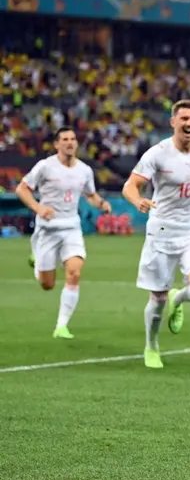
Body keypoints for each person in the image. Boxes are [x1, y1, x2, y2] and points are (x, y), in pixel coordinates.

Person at [122, 99, 190, 369]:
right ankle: (152, 346)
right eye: (184, 119)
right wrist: (137, 201)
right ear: (173, 122)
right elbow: (131, 186)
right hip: (162, 230)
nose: (189, 123)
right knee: (157, 297)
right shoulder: (158, 153)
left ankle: (181, 298)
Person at [15, 126, 112, 339]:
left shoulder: (84, 170)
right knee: (47, 284)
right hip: (47, 230)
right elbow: (22, 189)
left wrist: (102, 203)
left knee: (75, 272)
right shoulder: (45, 167)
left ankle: (61, 326)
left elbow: (91, 195)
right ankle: (37, 260)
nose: (69, 143)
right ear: (57, 144)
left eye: (73, 139)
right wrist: (39, 208)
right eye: (65, 139)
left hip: (71, 228)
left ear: (77, 143)